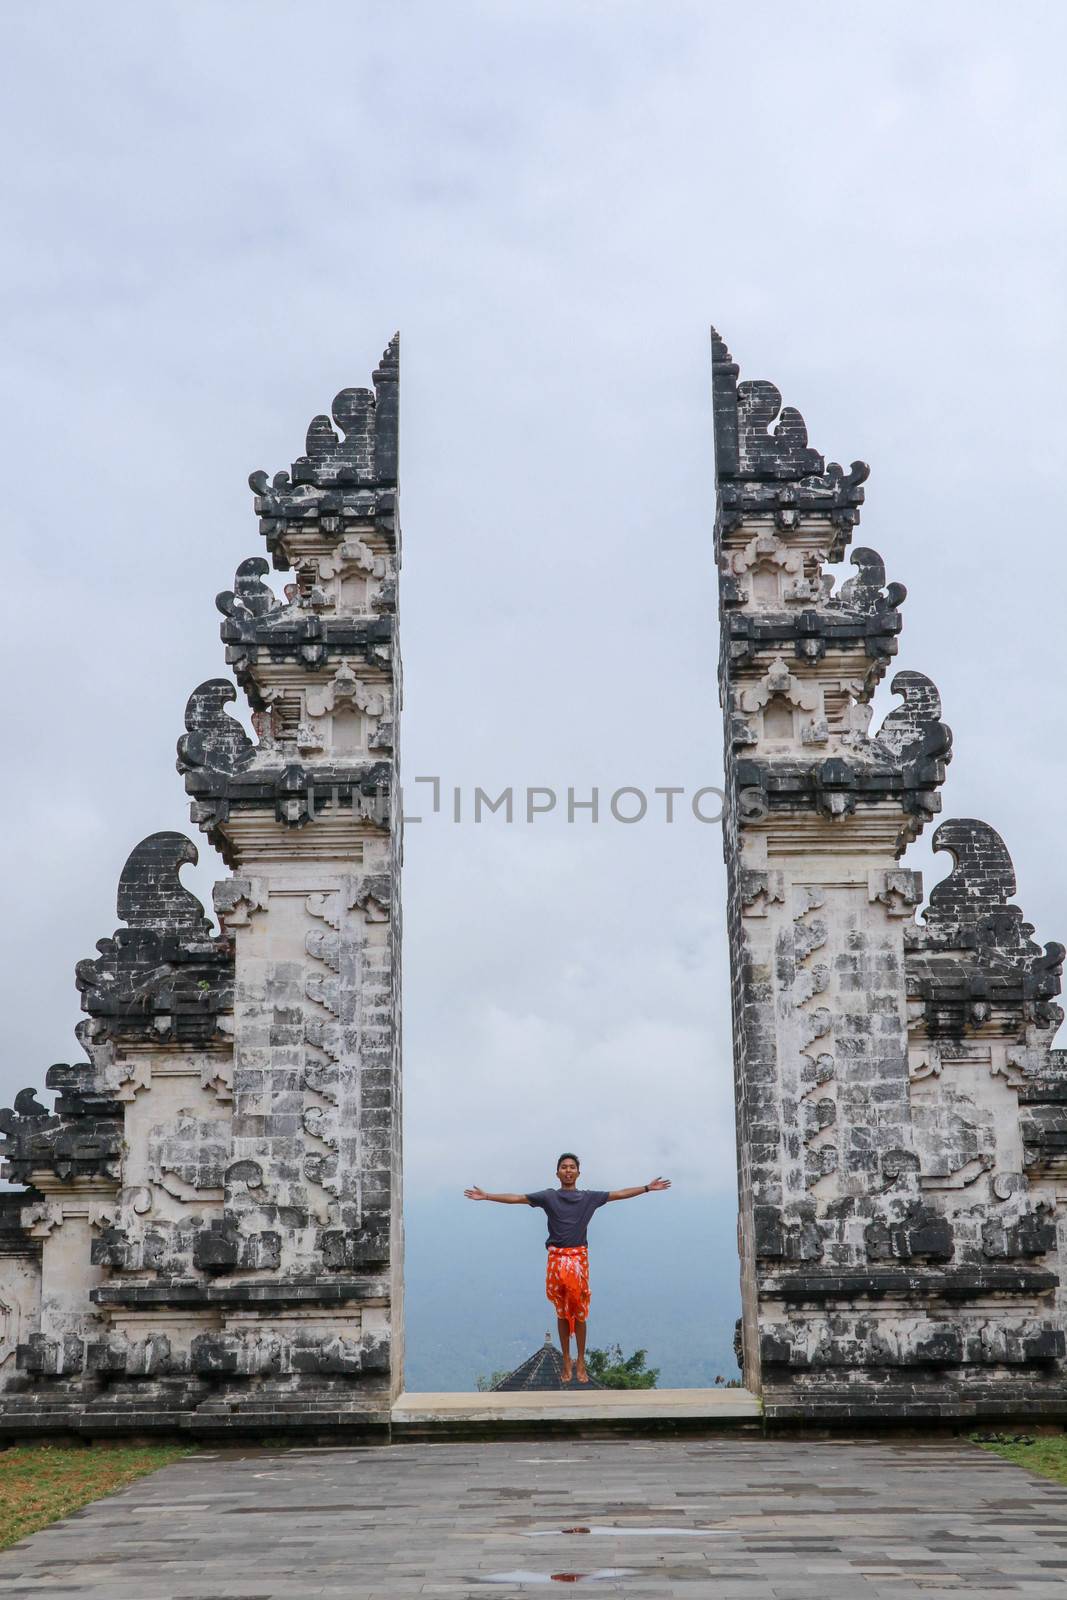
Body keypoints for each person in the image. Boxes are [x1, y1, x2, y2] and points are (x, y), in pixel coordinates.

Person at [464, 1153, 670, 1385]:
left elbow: (619, 1194)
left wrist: (646, 1188)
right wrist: (487, 1196)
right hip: (556, 1260)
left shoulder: (589, 1198)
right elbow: (518, 1198)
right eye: (564, 1167)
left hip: (578, 1260)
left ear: (578, 1173)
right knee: (562, 1312)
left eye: (572, 1167)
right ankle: (566, 1359)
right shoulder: (549, 1197)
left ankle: (580, 1360)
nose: (568, 1170)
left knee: (580, 1311)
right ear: (558, 1173)